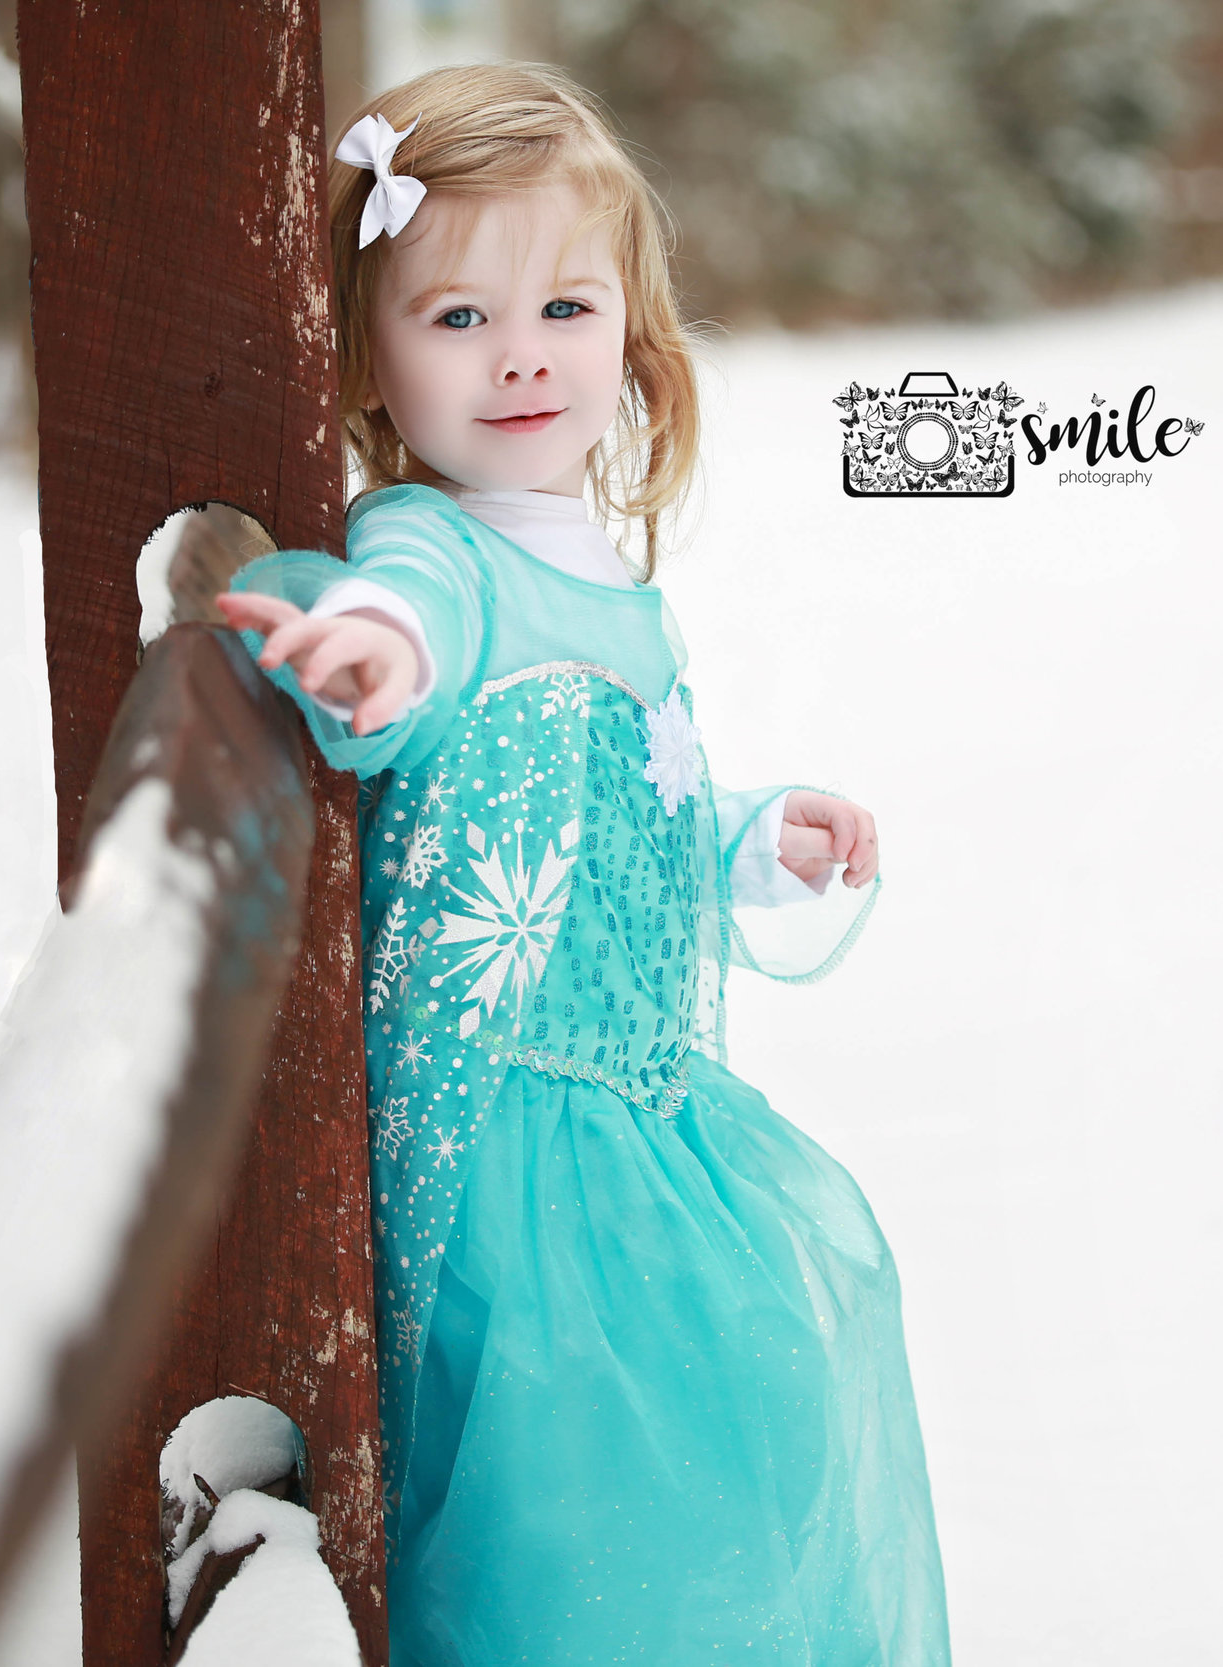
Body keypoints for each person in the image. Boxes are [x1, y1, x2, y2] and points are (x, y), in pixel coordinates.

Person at [214, 61, 951, 1667]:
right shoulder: (434, 549)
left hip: (648, 1120)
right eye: (457, 318)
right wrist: (367, 661)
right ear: (369, 352)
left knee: (766, 1402)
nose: (522, 355)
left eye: (563, 306)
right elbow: (414, 638)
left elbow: (639, 812)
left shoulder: (619, 589)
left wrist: (755, 838)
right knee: (574, 1511)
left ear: (631, 332)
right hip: (513, 1157)